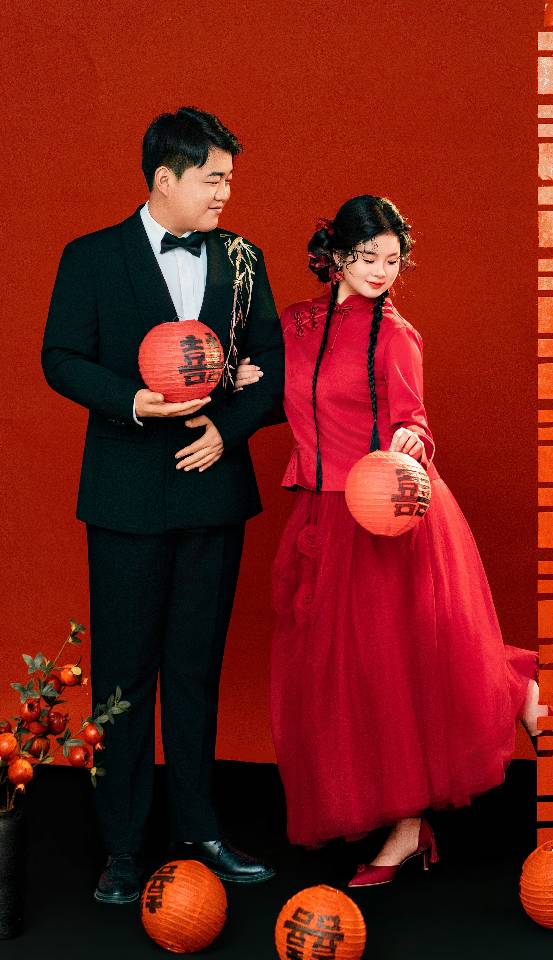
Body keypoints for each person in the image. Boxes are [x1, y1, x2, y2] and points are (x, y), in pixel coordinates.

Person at [261, 195, 551, 888]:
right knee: (346, 679)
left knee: (395, 669)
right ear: (335, 256)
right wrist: (246, 377)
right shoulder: (294, 325)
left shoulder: (395, 335)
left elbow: (415, 419)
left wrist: (410, 441)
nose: (380, 272)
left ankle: (503, 702)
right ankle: (412, 822)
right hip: (320, 514)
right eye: (367, 258)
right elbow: (278, 388)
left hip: (381, 512)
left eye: (392, 260)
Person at [41, 107, 284, 902]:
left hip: (213, 494)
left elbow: (273, 365)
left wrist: (226, 431)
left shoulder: (243, 259)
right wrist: (133, 401)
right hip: (124, 499)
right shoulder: (90, 256)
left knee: (194, 671)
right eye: (212, 178)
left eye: (229, 179)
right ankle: (121, 846)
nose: (224, 193)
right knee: (123, 673)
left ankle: (199, 827)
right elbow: (60, 357)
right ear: (165, 179)